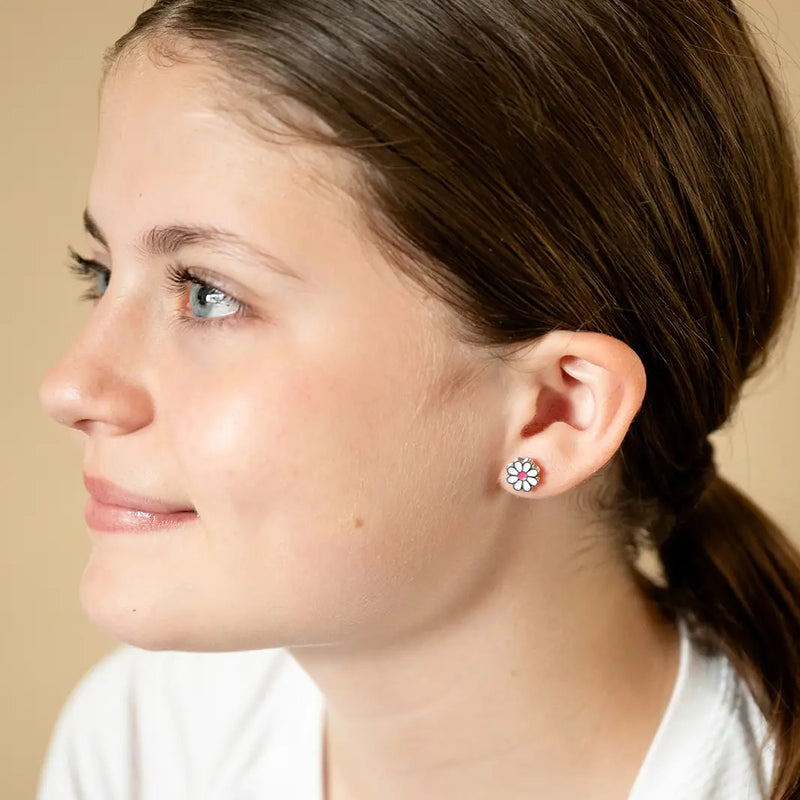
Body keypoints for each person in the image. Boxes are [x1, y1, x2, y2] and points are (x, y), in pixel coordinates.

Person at [36, 1, 800, 798]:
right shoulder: (142, 745)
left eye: (208, 294)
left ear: (554, 414)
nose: (70, 386)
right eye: (99, 273)